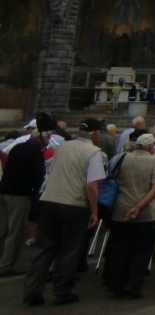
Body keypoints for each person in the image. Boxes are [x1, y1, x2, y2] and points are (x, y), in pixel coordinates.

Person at [22, 117, 104, 307]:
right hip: (74, 203)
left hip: (51, 199)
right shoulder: (94, 152)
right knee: (69, 249)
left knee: (45, 248)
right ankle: (62, 291)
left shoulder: (62, 147)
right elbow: (92, 185)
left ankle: (32, 290)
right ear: (95, 134)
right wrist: (94, 211)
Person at [107, 133, 155, 298]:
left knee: (120, 249)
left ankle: (117, 285)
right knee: (142, 249)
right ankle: (133, 283)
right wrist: (140, 206)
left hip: (120, 209)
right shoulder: (154, 161)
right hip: (145, 212)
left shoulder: (121, 158)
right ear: (151, 147)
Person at [0, 127, 46, 276]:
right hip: (19, 193)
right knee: (16, 231)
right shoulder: (35, 153)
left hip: (4, 189)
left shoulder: (18, 147)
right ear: (39, 138)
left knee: (3, 229)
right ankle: (6, 264)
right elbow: (38, 175)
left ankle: (3, 259)